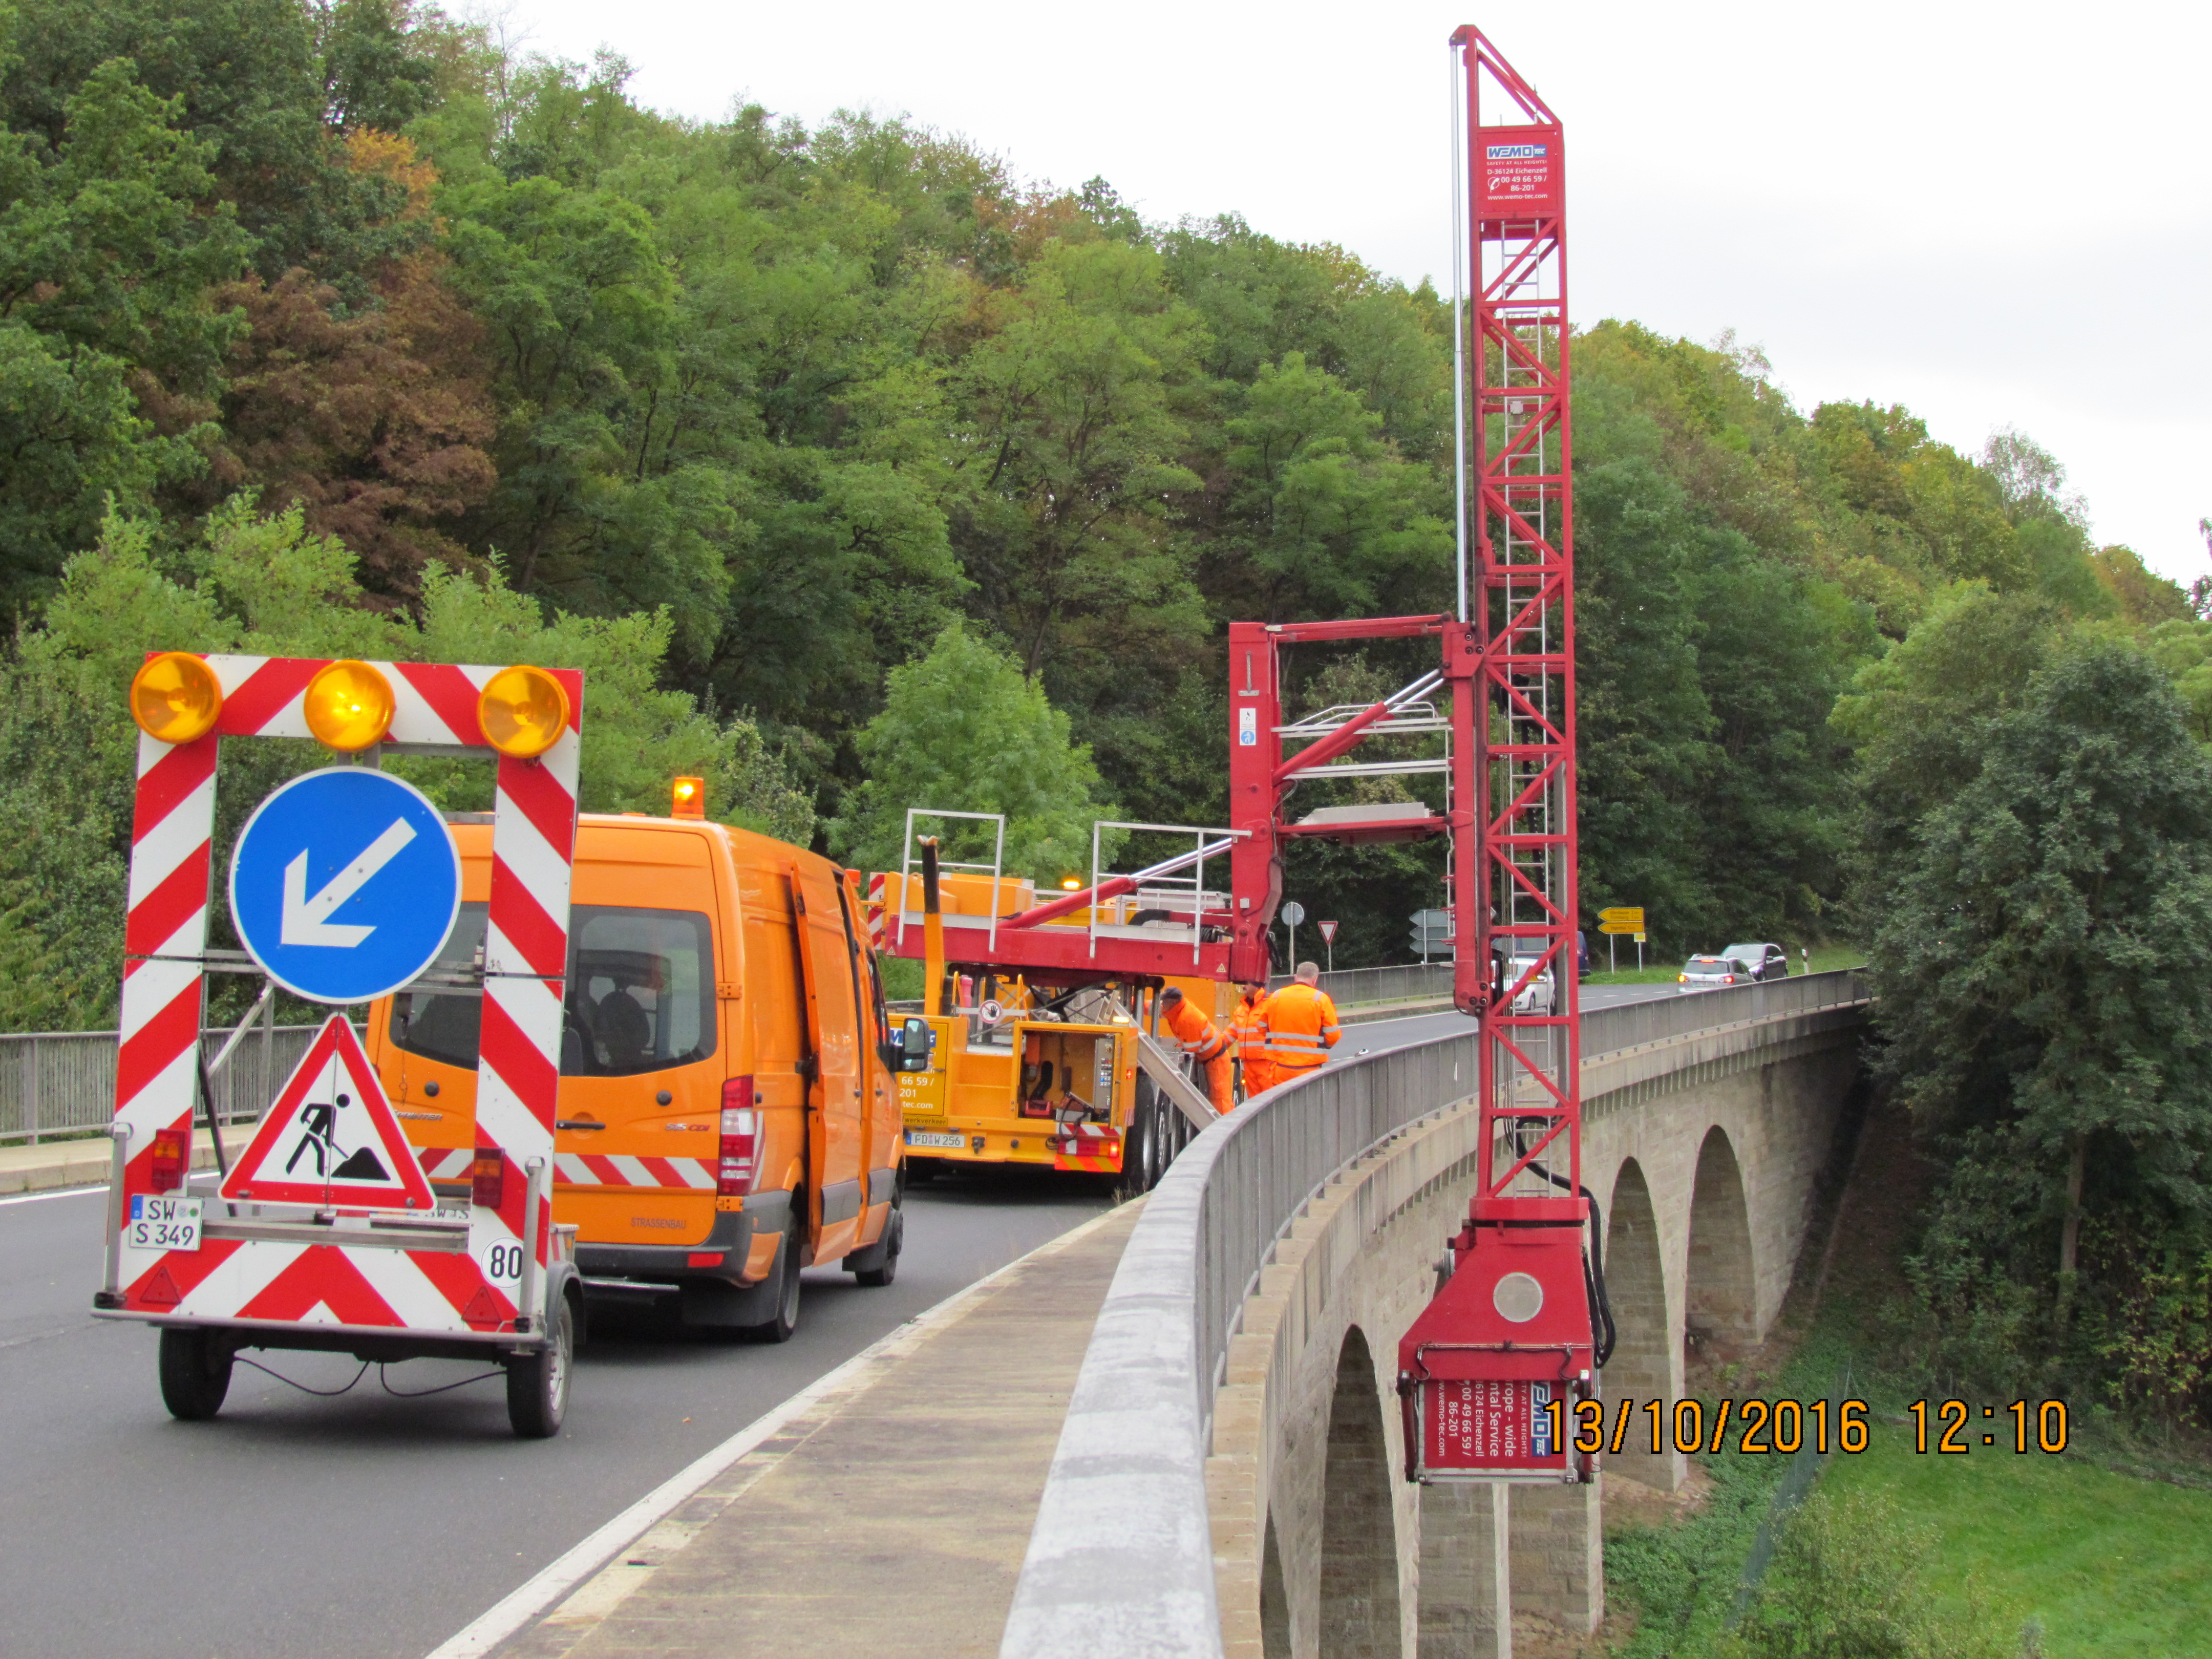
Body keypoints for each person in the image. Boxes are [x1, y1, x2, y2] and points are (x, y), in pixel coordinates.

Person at [1158, 986, 1234, 1113]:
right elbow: (1154, 1008)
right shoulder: (1178, 1008)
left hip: (1216, 1060)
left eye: (1164, 1001)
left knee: (1219, 1097)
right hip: (1213, 1058)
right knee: (1218, 1095)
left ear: (1172, 1002)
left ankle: (1223, 1126)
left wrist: (1178, 1047)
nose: (1162, 1004)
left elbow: (1192, 1048)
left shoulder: (1187, 1018)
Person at [1262, 962, 1340, 1082]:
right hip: (1310, 1068)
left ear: (1296, 977)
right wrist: (1325, 1045)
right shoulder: (1321, 999)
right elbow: (1333, 1035)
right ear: (1315, 980)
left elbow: (1261, 1026)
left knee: (1282, 1099)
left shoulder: (1275, 997)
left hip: (1280, 1067)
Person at [1230, 979, 1275, 1099]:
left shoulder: (1270, 1004)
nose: (1243, 986)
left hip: (1266, 1063)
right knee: (1254, 1103)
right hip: (1249, 1065)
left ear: (1257, 985)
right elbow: (1230, 1034)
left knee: (1270, 1100)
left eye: (1246, 983)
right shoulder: (1241, 1010)